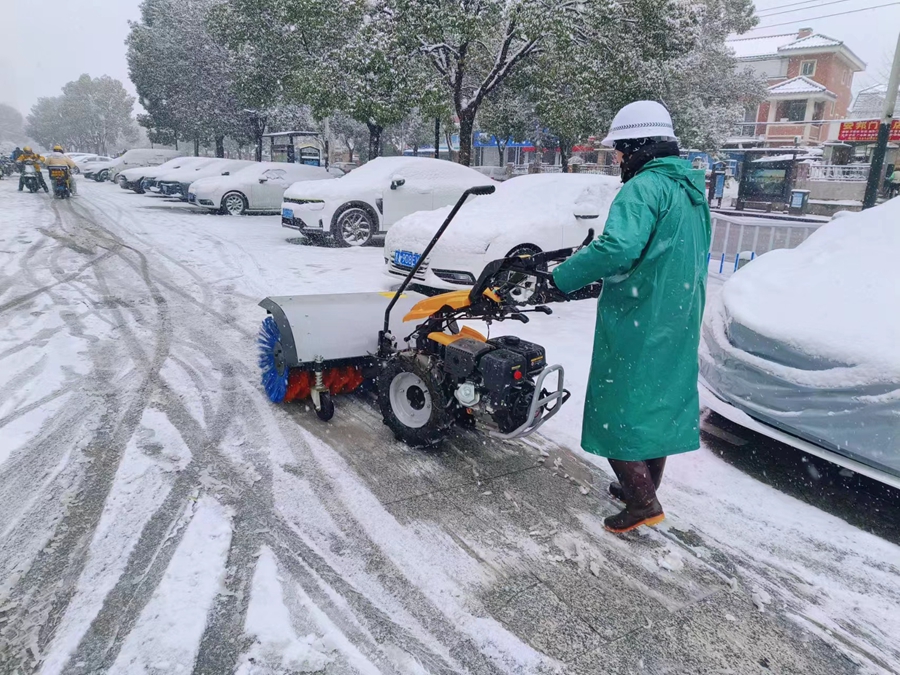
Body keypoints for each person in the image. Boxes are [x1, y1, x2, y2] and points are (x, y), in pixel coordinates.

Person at [551, 101, 711, 534]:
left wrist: (563, 277)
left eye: (621, 149)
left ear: (640, 146)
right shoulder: (691, 190)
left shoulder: (643, 188)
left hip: (641, 313)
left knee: (616, 408)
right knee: (654, 404)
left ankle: (642, 504)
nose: (619, 158)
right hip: (678, 311)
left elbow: (617, 248)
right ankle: (642, 490)